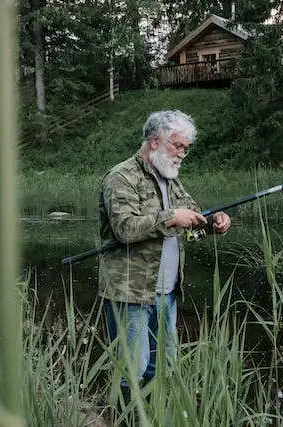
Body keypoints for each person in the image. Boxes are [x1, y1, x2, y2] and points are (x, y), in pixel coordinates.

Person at [97, 110, 231, 400]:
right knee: (131, 370)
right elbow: (125, 229)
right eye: (178, 146)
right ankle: (126, 418)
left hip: (166, 294)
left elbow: (194, 222)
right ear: (155, 141)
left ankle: (155, 417)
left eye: (186, 147)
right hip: (129, 293)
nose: (183, 153)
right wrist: (171, 218)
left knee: (163, 367)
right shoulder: (121, 177)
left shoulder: (171, 179)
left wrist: (215, 223)